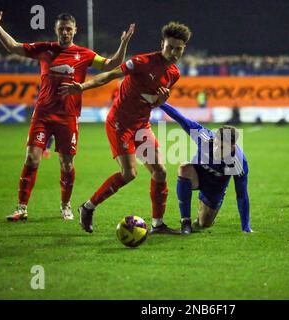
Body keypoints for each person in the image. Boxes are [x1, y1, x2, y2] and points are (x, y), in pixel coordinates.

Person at [0, 3, 135, 221]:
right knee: (31, 159)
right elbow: (14, 46)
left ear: (74, 30)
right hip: (43, 115)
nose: (65, 32)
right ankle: (21, 208)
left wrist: (123, 44)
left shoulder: (84, 54)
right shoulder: (45, 49)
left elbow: (111, 64)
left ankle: (66, 206)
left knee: (67, 164)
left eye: (68, 29)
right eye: (61, 29)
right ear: (57, 30)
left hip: (68, 118)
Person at [58, 22, 192, 234]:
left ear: (184, 49)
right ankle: (88, 207)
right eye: (170, 47)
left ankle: (158, 224)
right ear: (162, 44)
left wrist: (160, 100)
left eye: (179, 49)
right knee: (129, 174)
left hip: (141, 124)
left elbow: (152, 103)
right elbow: (110, 75)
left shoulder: (174, 74)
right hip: (120, 123)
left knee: (160, 171)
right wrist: (81, 87)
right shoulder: (141, 62)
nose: (174, 52)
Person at [159, 103, 251, 234]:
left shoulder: (238, 162)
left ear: (233, 147)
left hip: (215, 188)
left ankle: (204, 213)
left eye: (223, 148)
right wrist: (161, 103)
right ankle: (185, 223)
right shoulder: (205, 137)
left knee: (203, 224)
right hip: (197, 175)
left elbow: (241, 194)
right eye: (217, 145)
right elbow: (180, 118)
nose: (217, 150)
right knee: (184, 167)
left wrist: (245, 227)